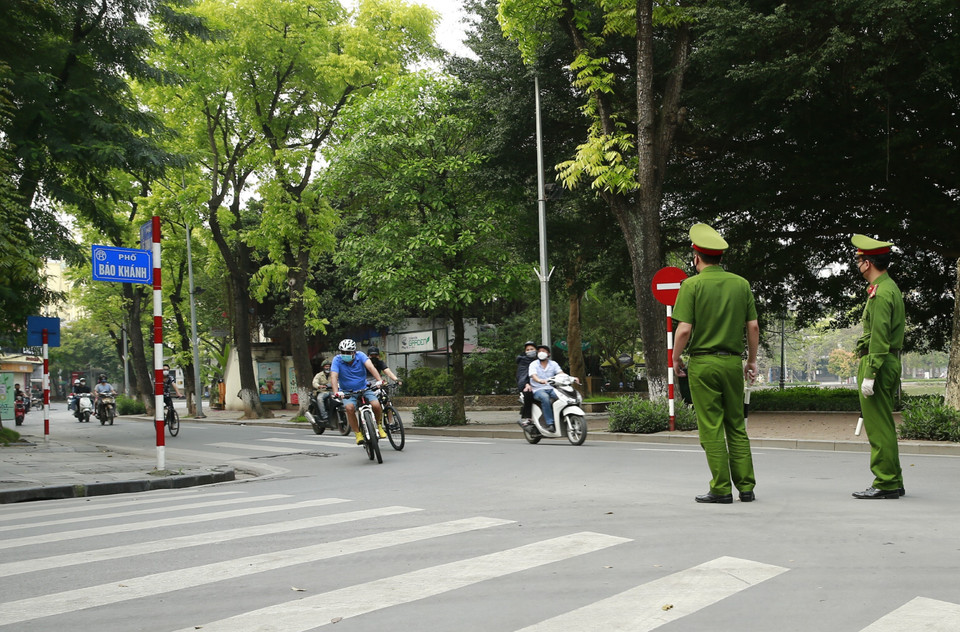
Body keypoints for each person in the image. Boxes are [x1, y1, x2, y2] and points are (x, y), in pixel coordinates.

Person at [672, 223, 759, 504]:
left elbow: (684, 329)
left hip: (703, 364)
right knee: (736, 425)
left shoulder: (691, 285)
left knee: (711, 425)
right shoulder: (741, 284)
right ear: (720, 257)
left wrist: (675, 357)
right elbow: (753, 326)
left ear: (696, 257)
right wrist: (752, 361)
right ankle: (746, 487)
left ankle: (721, 489)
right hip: (732, 364)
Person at [850, 234, 905, 499]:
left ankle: (885, 483)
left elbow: (880, 337)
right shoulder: (886, 287)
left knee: (878, 426)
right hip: (884, 360)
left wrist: (870, 374)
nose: (857, 263)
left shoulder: (881, 293)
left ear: (868, 263)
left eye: (859, 259)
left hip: (878, 362)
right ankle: (894, 478)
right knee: (883, 423)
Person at [330, 339, 385, 445]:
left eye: (348, 352)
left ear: (354, 352)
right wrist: (336, 392)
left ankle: (378, 426)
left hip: (364, 388)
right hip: (347, 391)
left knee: (376, 405)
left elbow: (371, 367)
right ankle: (358, 433)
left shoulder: (361, 356)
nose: (345, 354)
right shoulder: (337, 360)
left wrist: (379, 380)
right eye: (343, 352)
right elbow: (334, 376)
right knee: (349, 408)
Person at [528, 344, 567, 432]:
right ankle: (550, 424)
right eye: (539, 351)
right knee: (545, 398)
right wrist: (539, 380)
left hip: (552, 388)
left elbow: (560, 373)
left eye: (544, 351)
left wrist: (571, 378)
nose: (541, 353)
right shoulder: (533, 364)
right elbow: (533, 375)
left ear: (548, 354)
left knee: (563, 397)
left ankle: (564, 417)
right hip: (538, 389)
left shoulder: (553, 364)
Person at [516, 341, 537, 427]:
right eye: (527, 350)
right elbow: (521, 375)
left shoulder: (541, 360)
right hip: (528, 385)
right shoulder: (523, 361)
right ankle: (528, 418)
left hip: (541, 385)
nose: (530, 351)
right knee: (528, 393)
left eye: (532, 349)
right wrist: (526, 384)